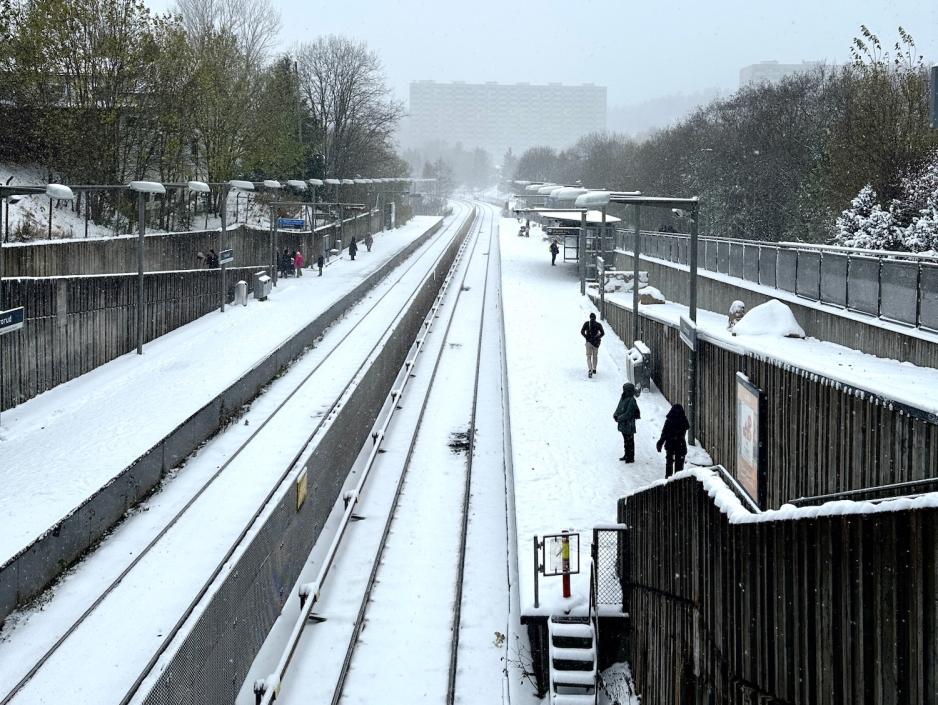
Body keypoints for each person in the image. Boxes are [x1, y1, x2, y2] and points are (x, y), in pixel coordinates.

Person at [656, 404, 690, 477]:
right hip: (680, 445)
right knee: (679, 468)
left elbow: (664, 433)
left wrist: (660, 443)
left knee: (669, 465)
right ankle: (678, 483)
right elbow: (687, 427)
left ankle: (668, 482)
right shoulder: (683, 420)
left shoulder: (669, 420)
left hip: (670, 444)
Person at [613, 383, 641, 463]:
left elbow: (629, 413)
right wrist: (615, 415)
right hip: (623, 423)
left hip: (629, 423)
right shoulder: (623, 397)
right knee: (626, 440)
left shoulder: (631, 400)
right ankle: (626, 455)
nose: (624, 391)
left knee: (630, 441)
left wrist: (619, 418)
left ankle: (630, 457)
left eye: (625, 390)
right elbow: (619, 407)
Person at [580, 312, 604, 378]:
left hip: (588, 342)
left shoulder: (586, 324)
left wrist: (586, 337)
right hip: (596, 343)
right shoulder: (598, 324)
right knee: (595, 356)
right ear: (595, 318)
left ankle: (590, 370)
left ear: (589, 317)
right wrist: (597, 337)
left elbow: (582, 331)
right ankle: (594, 369)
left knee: (588, 356)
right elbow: (603, 333)